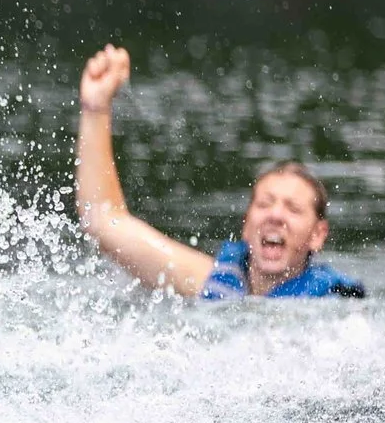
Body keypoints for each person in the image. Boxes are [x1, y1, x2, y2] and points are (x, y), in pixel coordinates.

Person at [75, 44, 365, 299]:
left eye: (293, 209)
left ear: (317, 234)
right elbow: (103, 221)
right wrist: (96, 108)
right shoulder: (210, 283)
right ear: (246, 223)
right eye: (264, 204)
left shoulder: (336, 308)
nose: (275, 215)